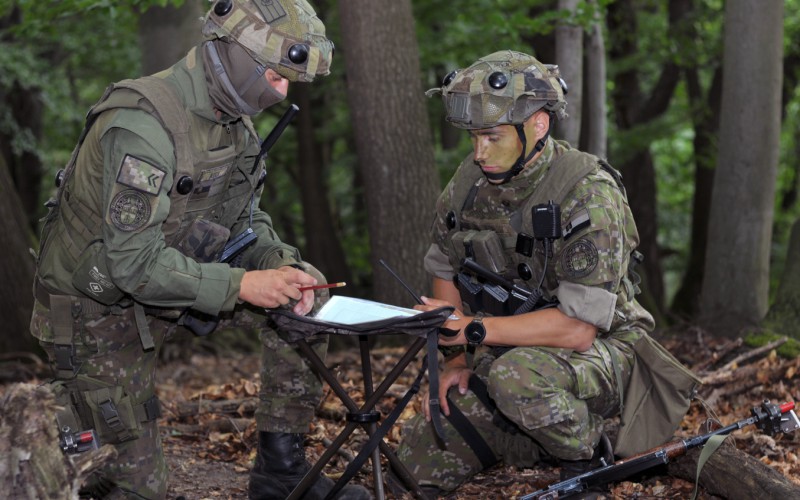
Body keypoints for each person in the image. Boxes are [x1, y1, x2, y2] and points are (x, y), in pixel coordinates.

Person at [29, 1, 369, 499]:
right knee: (138, 488)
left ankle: (280, 475)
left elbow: (244, 219)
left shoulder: (234, 122)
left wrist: (276, 263)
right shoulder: (142, 125)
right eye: (276, 76)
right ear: (236, 54)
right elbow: (132, 264)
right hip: (97, 310)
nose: (283, 91)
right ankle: (56, 440)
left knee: (307, 299)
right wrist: (244, 285)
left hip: (179, 275)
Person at [393, 50, 656, 495]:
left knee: (516, 380)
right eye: (474, 137)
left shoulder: (586, 192)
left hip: (607, 356)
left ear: (538, 125)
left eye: (493, 137)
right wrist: (456, 360)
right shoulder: (467, 185)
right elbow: (445, 268)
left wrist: (472, 332)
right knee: (413, 468)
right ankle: (529, 436)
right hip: (507, 358)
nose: (479, 152)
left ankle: (587, 455)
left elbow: (578, 331)